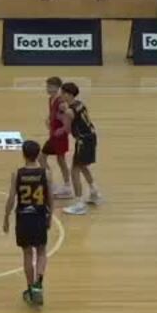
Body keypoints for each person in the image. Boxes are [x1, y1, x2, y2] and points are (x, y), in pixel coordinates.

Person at [3, 140, 53, 306]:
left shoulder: (17, 174)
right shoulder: (46, 174)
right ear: (38, 154)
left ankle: (31, 288)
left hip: (23, 217)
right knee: (41, 251)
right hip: (39, 216)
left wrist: (6, 217)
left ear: (23, 154)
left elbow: (11, 198)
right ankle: (39, 283)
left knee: (27, 254)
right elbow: (50, 198)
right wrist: (50, 216)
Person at [59, 82, 100, 215]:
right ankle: (94, 192)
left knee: (74, 170)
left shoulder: (70, 111)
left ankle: (79, 203)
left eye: (62, 92)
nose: (60, 95)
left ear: (69, 94)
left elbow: (68, 129)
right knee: (82, 166)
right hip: (91, 136)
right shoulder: (79, 103)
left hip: (83, 141)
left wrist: (60, 115)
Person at [39, 76, 74, 197]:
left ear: (57, 87)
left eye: (50, 86)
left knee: (61, 160)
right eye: (47, 86)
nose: (48, 88)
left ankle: (67, 186)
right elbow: (52, 115)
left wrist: (63, 128)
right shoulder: (50, 100)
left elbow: (68, 117)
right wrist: (49, 120)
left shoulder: (61, 103)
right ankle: (51, 183)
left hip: (60, 136)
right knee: (42, 157)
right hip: (53, 135)